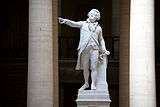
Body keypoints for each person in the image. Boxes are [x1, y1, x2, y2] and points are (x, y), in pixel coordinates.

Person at [58, 9, 110, 90]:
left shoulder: (99, 28)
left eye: (95, 14)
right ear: (88, 14)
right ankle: (86, 83)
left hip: (95, 49)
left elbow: (101, 39)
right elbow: (73, 24)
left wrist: (104, 49)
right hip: (84, 49)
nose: (93, 15)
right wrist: (65, 21)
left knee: (93, 67)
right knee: (85, 67)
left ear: (97, 17)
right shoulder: (83, 24)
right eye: (91, 13)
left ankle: (93, 83)